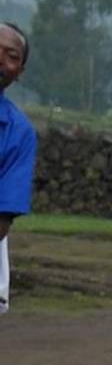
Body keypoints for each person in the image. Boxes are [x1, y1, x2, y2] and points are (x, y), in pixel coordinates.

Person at [0, 23, 37, 316]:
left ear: (20, 71)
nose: (0, 59)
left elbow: (3, 217)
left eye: (10, 55)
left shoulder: (18, 132)